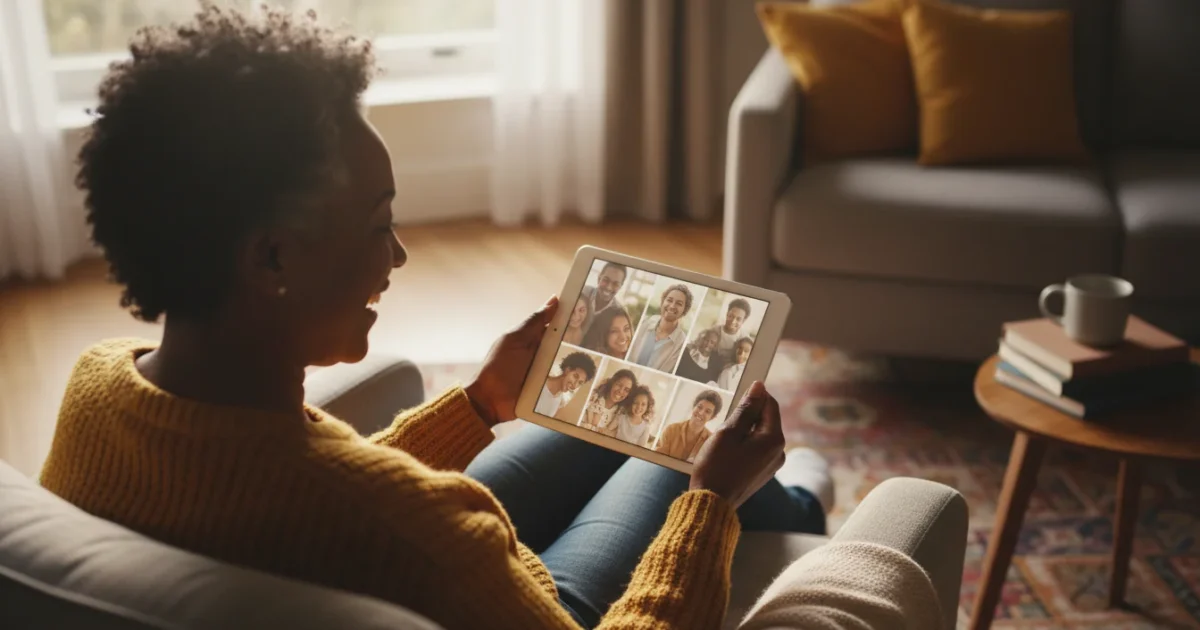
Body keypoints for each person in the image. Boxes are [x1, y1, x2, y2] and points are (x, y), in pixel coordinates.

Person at [37, 6, 833, 630]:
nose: (399, 256)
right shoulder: (414, 528)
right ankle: (790, 505)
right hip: (542, 611)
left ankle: (787, 500)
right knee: (671, 451)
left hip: (392, 572)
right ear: (271, 259)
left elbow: (303, 494)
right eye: (379, 224)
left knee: (601, 413)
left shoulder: (99, 389)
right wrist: (711, 505)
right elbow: (363, 509)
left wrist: (481, 405)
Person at [628, 284, 692, 372]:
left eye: (679, 303)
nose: (672, 306)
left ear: (684, 310)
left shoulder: (681, 343)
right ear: (663, 302)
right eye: (669, 300)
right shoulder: (645, 322)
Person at [655, 391, 722, 462]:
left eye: (707, 411)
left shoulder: (711, 441)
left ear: (712, 417)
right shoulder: (671, 429)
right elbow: (658, 459)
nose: (701, 412)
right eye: (699, 407)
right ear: (694, 406)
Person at [536, 351, 597, 418]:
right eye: (575, 376)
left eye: (580, 383)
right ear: (567, 370)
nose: (575, 385)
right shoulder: (539, 383)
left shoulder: (560, 402)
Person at [578, 262, 627, 338]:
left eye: (615, 284)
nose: (609, 287)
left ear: (620, 286)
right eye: (606, 280)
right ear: (599, 278)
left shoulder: (618, 312)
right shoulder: (582, 293)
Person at [710, 298, 752, 365]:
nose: (733, 321)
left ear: (743, 321)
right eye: (731, 316)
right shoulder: (714, 330)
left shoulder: (745, 338)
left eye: (738, 319)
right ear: (727, 314)